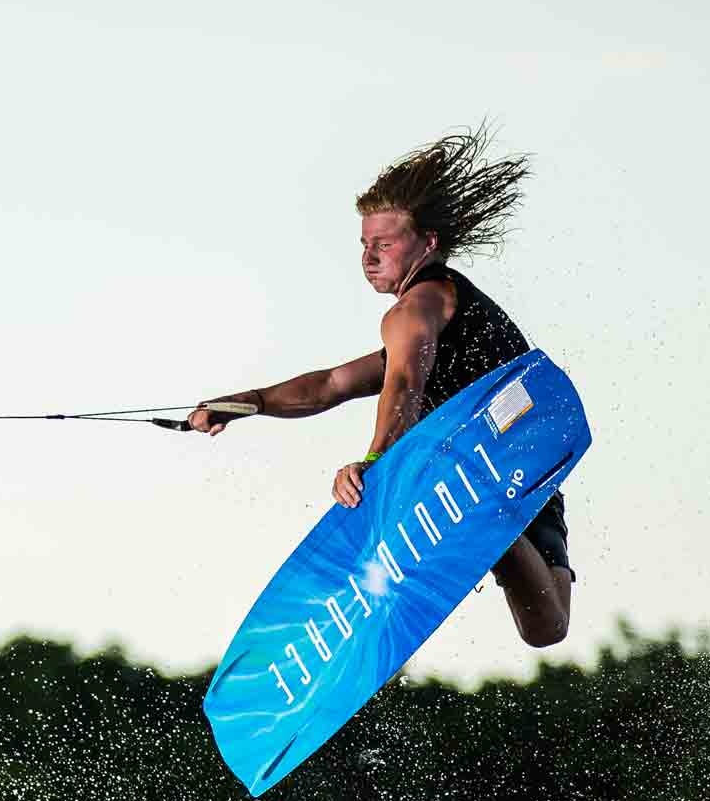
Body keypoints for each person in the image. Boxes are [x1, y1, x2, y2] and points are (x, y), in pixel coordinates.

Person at [189, 130, 575, 648]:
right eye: (365, 244)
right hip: (524, 455)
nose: (369, 257)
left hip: (491, 459)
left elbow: (404, 384)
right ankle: (490, 522)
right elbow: (332, 384)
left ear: (428, 243)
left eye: (385, 244)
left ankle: (484, 517)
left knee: (547, 628)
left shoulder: (414, 312)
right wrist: (249, 403)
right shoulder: (441, 308)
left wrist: (376, 462)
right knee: (545, 628)